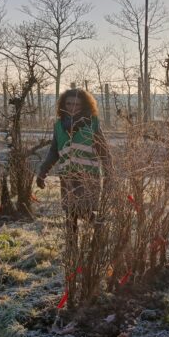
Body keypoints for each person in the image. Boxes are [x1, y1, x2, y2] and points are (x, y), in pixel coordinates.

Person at [35, 89, 112, 235]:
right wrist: (42, 172)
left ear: (84, 105)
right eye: (69, 104)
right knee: (70, 214)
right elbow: (54, 151)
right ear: (63, 105)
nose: (72, 107)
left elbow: (105, 153)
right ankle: (71, 247)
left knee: (83, 210)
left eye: (77, 104)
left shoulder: (92, 124)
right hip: (67, 176)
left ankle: (100, 230)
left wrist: (109, 174)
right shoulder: (59, 125)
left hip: (88, 176)